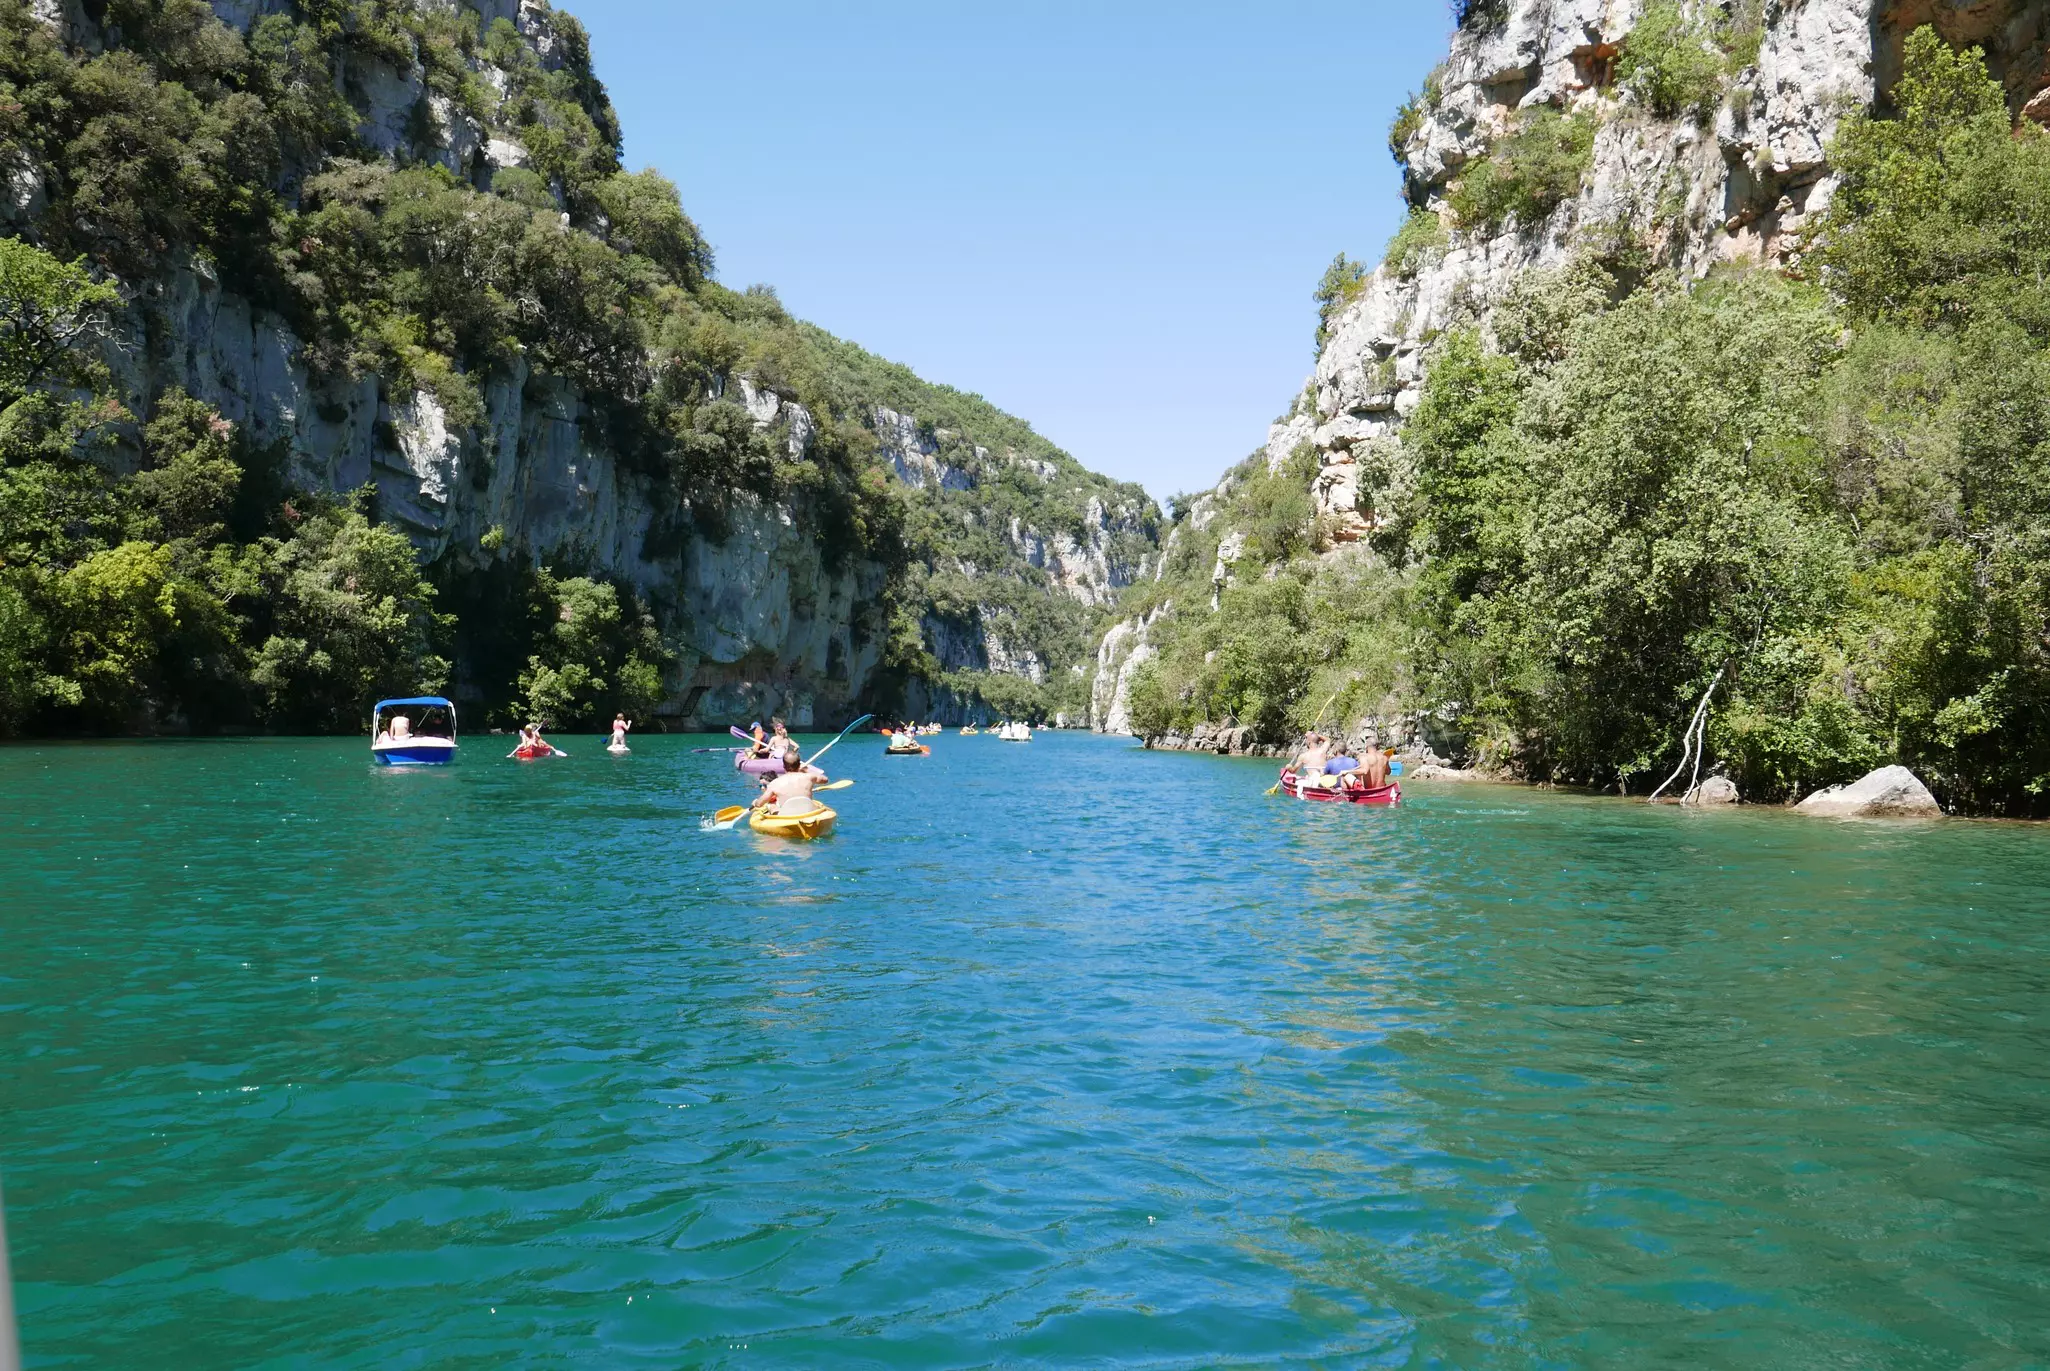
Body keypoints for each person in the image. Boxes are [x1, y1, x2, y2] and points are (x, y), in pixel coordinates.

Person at [754, 745, 821, 815]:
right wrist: (806, 769)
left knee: (772, 806)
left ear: (783, 767)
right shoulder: (809, 777)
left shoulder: (775, 783)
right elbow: (825, 779)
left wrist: (755, 802)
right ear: (799, 765)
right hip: (807, 814)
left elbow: (759, 804)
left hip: (787, 817)